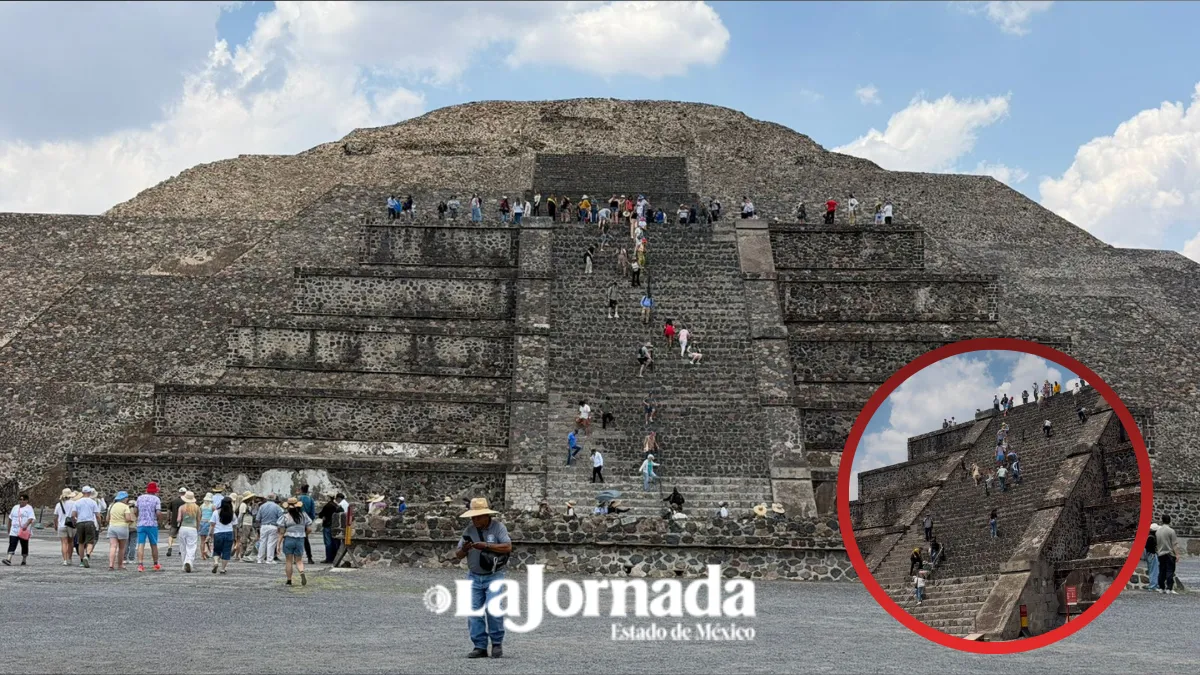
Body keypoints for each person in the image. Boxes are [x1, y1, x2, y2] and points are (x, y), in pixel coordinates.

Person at [454, 498, 512, 659]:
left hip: (494, 575)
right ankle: (479, 646)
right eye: (473, 517)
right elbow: (458, 555)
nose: (475, 520)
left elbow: (507, 547)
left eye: (478, 516)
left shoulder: (498, 528)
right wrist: (465, 549)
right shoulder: (469, 531)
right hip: (473, 576)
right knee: (473, 612)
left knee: (493, 609)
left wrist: (485, 545)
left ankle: (496, 643)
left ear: (487, 516)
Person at [278, 497, 313, 586]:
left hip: (289, 538)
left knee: (288, 561)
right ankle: (301, 572)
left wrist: (278, 544)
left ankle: (289, 580)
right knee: (299, 561)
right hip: (300, 539)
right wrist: (303, 534)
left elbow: (281, 532)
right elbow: (309, 529)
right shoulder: (304, 515)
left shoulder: (285, 516)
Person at [72, 486, 102, 567]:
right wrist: (100, 524)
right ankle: (87, 555)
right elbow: (97, 515)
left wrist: (74, 522)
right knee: (90, 541)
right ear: (89, 493)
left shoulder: (77, 502)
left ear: (82, 493)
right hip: (89, 522)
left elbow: (73, 515)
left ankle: (81, 561)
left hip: (80, 522)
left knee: (81, 542)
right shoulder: (93, 502)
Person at [3, 493, 34, 566]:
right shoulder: (15, 507)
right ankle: (8, 559)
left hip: (23, 530)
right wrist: (9, 528)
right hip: (14, 530)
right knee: (12, 544)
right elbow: (10, 518)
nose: (21, 501)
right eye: (20, 500)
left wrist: (26, 525)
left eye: (23, 500)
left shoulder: (29, 508)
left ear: (27, 500)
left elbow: (31, 518)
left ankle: (24, 559)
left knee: (24, 545)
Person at [106, 491, 133, 570]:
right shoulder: (125, 507)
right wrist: (131, 520)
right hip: (122, 527)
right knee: (121, 548)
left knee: (113, 546)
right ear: (124, 499)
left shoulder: (111, 506)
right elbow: (127, 518)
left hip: (112, 527)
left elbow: (107, 519)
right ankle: (120, 565)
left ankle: (111, 564)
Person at [209, 495, 236, 574]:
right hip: (229, 533)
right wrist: (235, 536)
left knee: (217, 550)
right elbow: (235, 525)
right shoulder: (232, 513)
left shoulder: (216, 512)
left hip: (218, 533)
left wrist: (209, 534)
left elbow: (212, 524)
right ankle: (223, 569)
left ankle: (216, 562)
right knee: (226, 551)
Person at [176, 491, 201, 573]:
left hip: (183, 528)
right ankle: (189, 561)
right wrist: (197, 529)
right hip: (192, 528)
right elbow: (198, 520)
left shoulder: (181, 507)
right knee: (191, 547)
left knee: (183, 547)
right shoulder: (197, 507)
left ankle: (184, 564)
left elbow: (178, 519)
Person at [255, 495, 284, 564]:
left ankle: (260, 559)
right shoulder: (277, 507)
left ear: (267, 498)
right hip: (273, 526)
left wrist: (258, 526)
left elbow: (257, 518)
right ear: (274, 499)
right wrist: (280, 527)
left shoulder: (262, 506)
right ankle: (269, 559)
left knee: (262, 542)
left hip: (263, 526)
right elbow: (281, 518)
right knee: (271, 543)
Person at [1156, 514, 1180, 594]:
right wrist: (1177, 554)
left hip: (1160, 553)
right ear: (1169, 521)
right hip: (1169, 553)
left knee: (1161, 571)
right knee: (1170, 571)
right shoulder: (1171, 531)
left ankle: (1161, 587)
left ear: (1162, 520)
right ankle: (1169, 588)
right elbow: (1174, 544)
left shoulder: (1158, 531)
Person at [54, 488, 77, 566]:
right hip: (71, 525)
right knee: (71, 542)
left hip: (61, 525)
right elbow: (76, 514)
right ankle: (70, 559)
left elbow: (55, 516)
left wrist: (55, 524)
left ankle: (65, 560)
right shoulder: (74, 503)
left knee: (64, 543)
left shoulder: (59, 504)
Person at [319, 494, 344, 564]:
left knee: (328, 543)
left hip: (327, 525)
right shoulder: (336, 506)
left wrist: (324, 517)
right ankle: (336, 557)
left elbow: (320, 515)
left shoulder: (327, 506)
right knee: (335, 542)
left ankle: (329, 558)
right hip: (335, 526)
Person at [298, 484, 316, 565]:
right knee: (306, 540)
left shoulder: (298, 498)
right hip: (306, 521)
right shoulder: (310, 499)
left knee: (297, 539)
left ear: (301, 490)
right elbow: (313, 512)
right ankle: (309, 558)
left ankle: (297, 557)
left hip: (298, 521)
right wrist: (310, 520)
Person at [166, 487, 186, 558]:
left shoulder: (174, 501)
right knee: (182, 536)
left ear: (179, 493)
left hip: (174, 521)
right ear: (185, 493)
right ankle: (181, 550)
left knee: (171, 535)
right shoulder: (186, 502)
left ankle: (169, 547)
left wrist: (168, 519)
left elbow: (168, 511)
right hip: (184, 521)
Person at [1145, 523, 1161, 592]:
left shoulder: (1149, 537)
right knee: (1154, 570)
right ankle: (1153, 585)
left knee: (1152, 570)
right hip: (1152, 555)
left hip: (1149, 555)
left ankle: (1153, 584)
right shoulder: (1151, 538)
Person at [198, 493, 214, 561]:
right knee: (210, 539)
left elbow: (199, 516)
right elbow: (214, 516)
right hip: (209, 523)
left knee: (202, 540)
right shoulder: (213, 506)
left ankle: (202, 555)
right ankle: (207, 550)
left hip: (202, 522)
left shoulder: (201, 506)